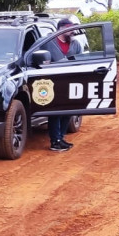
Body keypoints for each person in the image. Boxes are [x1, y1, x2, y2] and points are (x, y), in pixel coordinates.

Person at [46, 15, 81, 152]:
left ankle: (61, 138)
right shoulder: (48, 41)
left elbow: (81, 60)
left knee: (69, 110)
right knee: (56, 111)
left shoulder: (75, 43)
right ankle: (55, 141)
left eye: (72, 28)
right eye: (69, 28)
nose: (72, 31)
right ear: (60, 29)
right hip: (53, 81)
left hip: (71, 80)